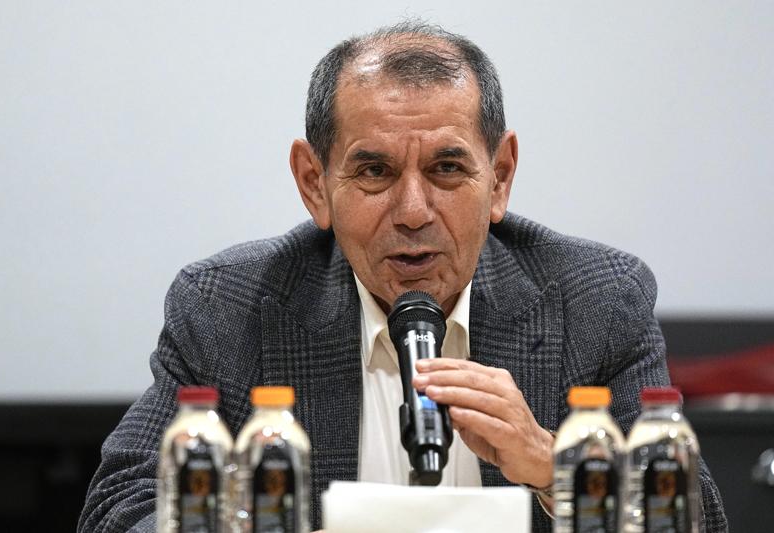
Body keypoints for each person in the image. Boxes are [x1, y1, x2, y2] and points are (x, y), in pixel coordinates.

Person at [79, 21, 728, 532]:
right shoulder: (229, 307)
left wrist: (554, 463)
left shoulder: (596, 300)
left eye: (447, 169)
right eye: (374, 172)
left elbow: (699, 517)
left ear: (500, 177)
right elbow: (118, 507)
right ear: (315, 183)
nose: (413, 211)